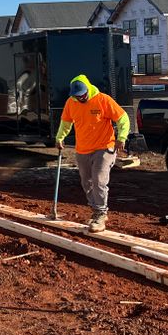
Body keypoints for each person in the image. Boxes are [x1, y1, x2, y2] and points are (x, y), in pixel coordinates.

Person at [55, 74, 130, 233]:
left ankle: (101, 214)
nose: (80, 98)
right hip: (82, 149)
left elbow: (123, 119)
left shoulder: (103, 100)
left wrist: (122, 137)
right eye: (77, 96)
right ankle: (96, 210)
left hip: (104, 147)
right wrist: (60, 137)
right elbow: (66, 122)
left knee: (98, 180)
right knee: (86, 182)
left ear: (88, 88)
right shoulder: (71, 102)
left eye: (82, 94)